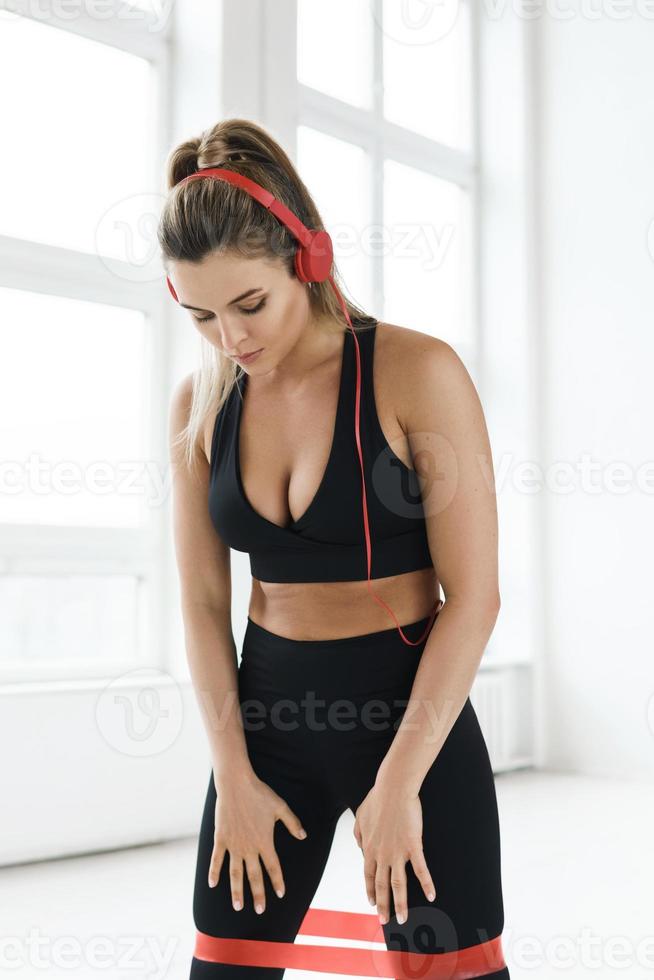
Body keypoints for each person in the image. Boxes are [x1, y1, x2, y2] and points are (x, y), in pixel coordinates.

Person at [162, 118, 510, 979]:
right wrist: (232, 777)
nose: (231, 339)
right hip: (266, 724)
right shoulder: (200, 408)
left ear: (305, 260)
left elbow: (474, 596)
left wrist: (397, 788)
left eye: (250, 305)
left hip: (408, 721)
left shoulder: (416, 372)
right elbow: (206, 606)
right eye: (201, 315)